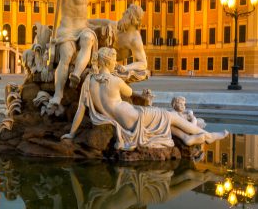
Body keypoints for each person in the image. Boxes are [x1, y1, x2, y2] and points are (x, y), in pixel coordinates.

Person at [63, 48, 227, 150]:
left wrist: (71, 134)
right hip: (134, 118)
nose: (116, 62)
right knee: (171, 116)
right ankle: (207, 135)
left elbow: (80, 110)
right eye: (114, 60)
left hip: (123, 120)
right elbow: (128, 92)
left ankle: (187, 138)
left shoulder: (89, 81)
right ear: (108, 61)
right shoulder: (115, 80)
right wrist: (125, 75)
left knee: (165, 121)